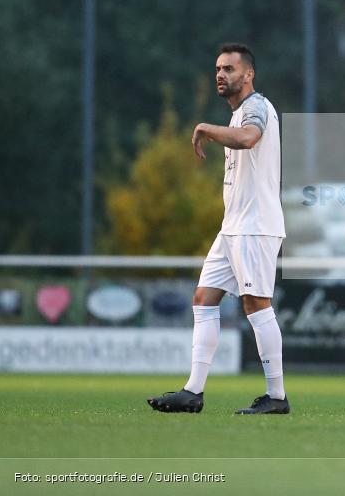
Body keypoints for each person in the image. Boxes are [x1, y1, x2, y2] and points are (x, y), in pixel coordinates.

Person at [148, 43, 289, 415]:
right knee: (204, 299)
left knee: (257, 304)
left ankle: (277, 397)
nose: (221, 75)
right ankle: (193, 392)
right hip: (233, 228)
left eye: (229, 68)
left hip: (255, 226)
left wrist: (204, 128)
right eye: (218, 70)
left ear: (249, 74)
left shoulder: (256, 107)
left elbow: (248, 139)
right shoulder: (239, 112)